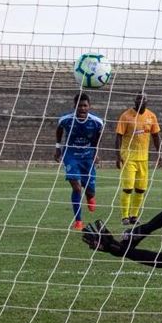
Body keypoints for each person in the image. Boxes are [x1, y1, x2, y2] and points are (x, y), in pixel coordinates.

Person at [55, 93, 104, 230]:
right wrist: (58, 148)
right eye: (79, 106)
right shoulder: (66, 120)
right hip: (71, 155)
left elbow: (97, 139)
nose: (82, 108)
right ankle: (78, 220)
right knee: (76, 187)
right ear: (74, 106)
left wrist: (96, 153)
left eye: (85, 105)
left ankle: (90, 197)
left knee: (90, 190)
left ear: (89, 106)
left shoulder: (96, 122)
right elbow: (59, 130)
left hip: (88, 156)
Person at [116, 93, 162, 225]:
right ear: (134, 100)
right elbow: (118, 136)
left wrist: (159, 153)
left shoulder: (151, 116)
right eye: (138, 98)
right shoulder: (126, 116)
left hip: (143, 158)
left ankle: (134, 216)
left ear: (147, 101)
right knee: (128, 188)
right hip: (128, 157)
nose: (141, 101)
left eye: (144, 99)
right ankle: (125, 216)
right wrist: (117, 155)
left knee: (141, 189)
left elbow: (155, 135)